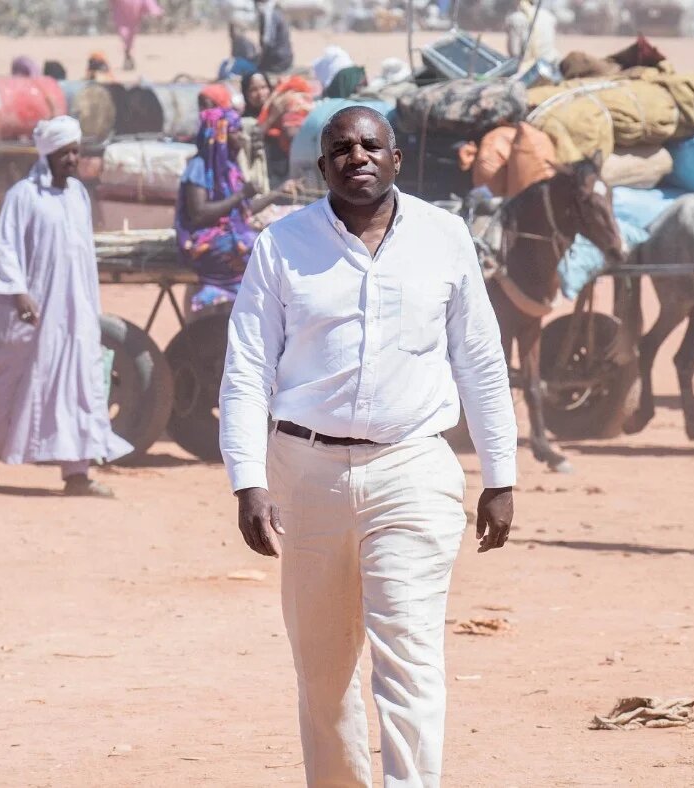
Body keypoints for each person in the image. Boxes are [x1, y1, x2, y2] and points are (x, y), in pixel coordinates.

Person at [219, 105, 518, 788]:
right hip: (306, 474)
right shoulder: (282, 245)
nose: (358, 157)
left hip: (413, 467)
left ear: (396, 158)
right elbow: (245, 370)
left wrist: (501, 475)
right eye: (341, 148)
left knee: (409, 661)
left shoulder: (443, 238)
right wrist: (247, 480)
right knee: (323, 676)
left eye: (371, 145)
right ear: (322, 165)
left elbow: (479, 358)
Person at [0, 117, 131, 497]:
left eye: (76, 151)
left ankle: (77, 474)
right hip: (36, 312)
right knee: (15, 386)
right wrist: (19, 292)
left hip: (76, 311)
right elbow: (6, 249)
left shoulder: (78, 194)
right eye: (65, 153)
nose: (72, 159)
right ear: (48, 156)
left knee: (79, 384)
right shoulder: (23, 196)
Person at [174, 107, 297, 314]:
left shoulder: (229, 168)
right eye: (235, 132)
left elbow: (242, 211)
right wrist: (241, 195)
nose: (241, 137)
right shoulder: (199, 167)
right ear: (219, 134)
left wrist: (278, 193)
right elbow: (199, 214)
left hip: (229, 233)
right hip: (204, 240)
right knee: (256, 247)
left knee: (275, 238)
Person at [505, 0, 559, 69]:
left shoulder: (515, 18)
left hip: (528, 69)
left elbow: (514, 53)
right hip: (551, 66)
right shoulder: (549, 16)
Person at [112, 0, 161, 71]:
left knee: (130, 34)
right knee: (124, 33)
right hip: (122, 11)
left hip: (134, 10)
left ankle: (128, 54)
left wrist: (155, 11)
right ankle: (128, 54)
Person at [254, 0, 293, 74]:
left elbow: (268, 42)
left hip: (278, 59)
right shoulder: (275, 11)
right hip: (283, 57)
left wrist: (260, 61)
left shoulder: (269, 13)